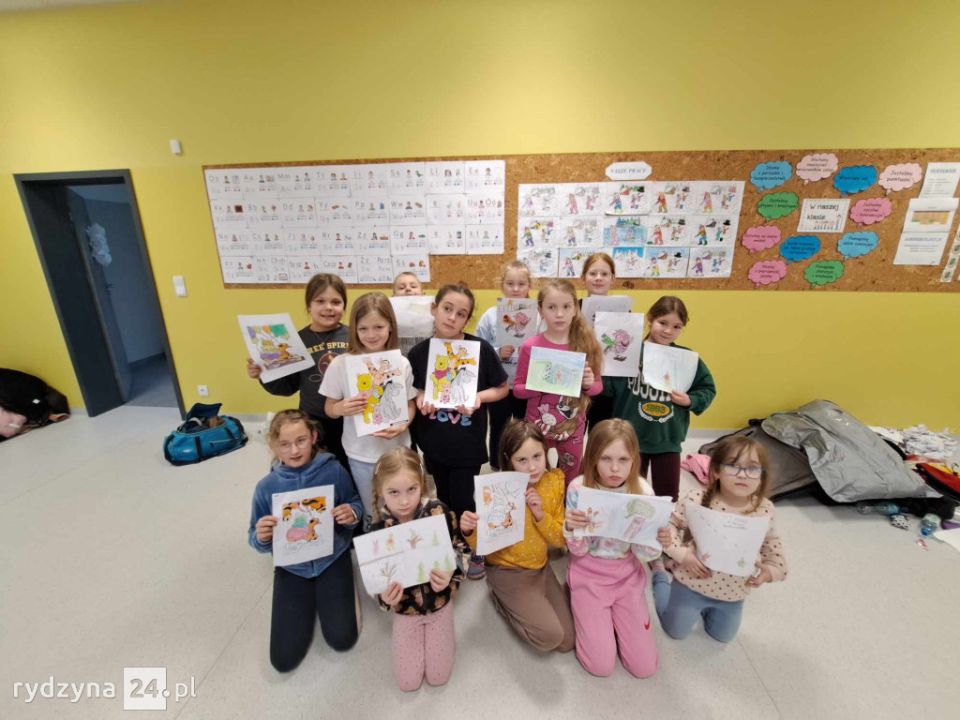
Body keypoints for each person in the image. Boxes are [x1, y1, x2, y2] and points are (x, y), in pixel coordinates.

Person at [247, 410, 363, 672]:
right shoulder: (266, 487)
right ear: (273, 446)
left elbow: (355, 503)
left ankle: (341, 587)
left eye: (300, 440)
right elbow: (253, 537)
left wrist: (351, 514)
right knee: (283, 660)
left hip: (332, 557)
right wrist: (261, 536)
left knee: (342, 639)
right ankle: (309, 596)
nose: (294, 450)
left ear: (313, 437)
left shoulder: (333, 471)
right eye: (285, 444)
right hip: (292, 567)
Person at [408, 283, 508, 579]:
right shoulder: (419, 352)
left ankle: (474, 545)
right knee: (443, 496)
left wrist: (479, 398)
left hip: (467, 444)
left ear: (467, 319)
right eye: (447, 309)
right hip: (433, 442)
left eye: (461, 313)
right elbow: (412, 388)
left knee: (465, 499)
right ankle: (450, 544)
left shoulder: (480, 349)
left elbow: (502, 388)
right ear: (434, 309)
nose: (452, 317)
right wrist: (419, 396)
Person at [653, 435, 787, 643]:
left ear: (762, 475)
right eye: (733, 465)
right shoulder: (696, 499)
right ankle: (660, 574)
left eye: (752, 468)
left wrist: (769, 572)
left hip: (733, 595)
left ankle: (705, 608)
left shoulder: (765, 508)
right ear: (716, 471)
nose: (742, 474)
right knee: (675, 632)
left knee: (722, 637)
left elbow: (773, 546)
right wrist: (681, 555)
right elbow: (669, 524)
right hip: (690, 585)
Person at [460, 421, 574, 653]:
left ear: (545, 452)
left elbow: (560, 540)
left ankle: (527, 600)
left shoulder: (554, 481)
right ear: (508, 459)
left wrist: (541, 515)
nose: (532, 467)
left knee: (567, 642)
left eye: (537, 456)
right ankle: (501, 599)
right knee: (550, 638)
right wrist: (469, 531)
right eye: (522, 460)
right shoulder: (498, 489)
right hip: (507, 571)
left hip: (540, 566)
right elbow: (483, 544)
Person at [564, 419, 660, 678]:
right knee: (600, 666)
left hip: (627, 576)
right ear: (593, 457)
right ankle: (581, 603)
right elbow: (578, 551)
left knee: (644, 668)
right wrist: (571, 528)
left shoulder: (643, 492)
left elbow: (645, 555)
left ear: (634, 459)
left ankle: (614, 622)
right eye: (605, 458)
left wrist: (657, 539)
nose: (615, 468)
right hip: (588, 574)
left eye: (623, 460)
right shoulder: (579, 488)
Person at [370, 447, 468, 691]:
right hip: (405, 610)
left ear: (422, 484)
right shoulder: (378, 528)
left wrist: (451, 575)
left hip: (440, 605)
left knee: (439, 677)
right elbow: (375, 578)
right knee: (408, 682)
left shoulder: (440, 512)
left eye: (411, 489)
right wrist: (384, 599)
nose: (404, 501)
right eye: (393, 492)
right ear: (380, 491)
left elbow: (462, 550)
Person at [320, 292, 417, 528]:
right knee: (373, 512)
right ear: (354, 329)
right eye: (363, 328)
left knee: (404, 508)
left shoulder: (401, 363)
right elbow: (329, 408)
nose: (371, 335)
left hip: (398, 452)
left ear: (390, 327)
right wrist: (341, 407)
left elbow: (410, 404)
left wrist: (403, 424)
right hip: (361, 454)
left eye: (378, 327)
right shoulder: (341, 364)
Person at [605, 296, 716, 500]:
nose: (668, 331)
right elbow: (608, 387)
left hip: (667, 439)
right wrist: (602, 364)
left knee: (667, 496)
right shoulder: (629, 353)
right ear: (650, 319)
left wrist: (690, 400)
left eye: (676, 326)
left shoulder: (687, 359)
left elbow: (707, 389)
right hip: (630, 438)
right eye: (662, 323)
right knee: (629, 494)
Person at [247, 273, 350, 474]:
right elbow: (287, 387)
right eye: (320, 301)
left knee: (346, 470)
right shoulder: (295, 341)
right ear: (308, 305)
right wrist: (263, 374)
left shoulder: (354, 336)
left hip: (349, 419)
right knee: (317, 471)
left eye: (336, 302)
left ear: (344, 306)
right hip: (313, 421)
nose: (328, 307)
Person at [513, 279, 603, 484]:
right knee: (534, 478)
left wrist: (589, 384)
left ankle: (564, 504)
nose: (559, 314)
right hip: (536, 426)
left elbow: (598, 387)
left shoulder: (586, 345)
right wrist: (539, 383)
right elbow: (517, 389)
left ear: (575, 309)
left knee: (570, 477)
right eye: (551, 307)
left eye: (566, 307)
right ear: (540, 311)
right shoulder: (530, 346)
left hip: (572, 428)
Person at [475, 260, 533, 468]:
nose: (515, 289)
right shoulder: (490, 316)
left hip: (526, 385)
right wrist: (497, 352)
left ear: (529, 286)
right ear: (502, 285)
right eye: (510, 284)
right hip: (499, 385)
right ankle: (497, 465)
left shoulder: (537, 316)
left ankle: (524, 463)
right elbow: (478, 350)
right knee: (498, 426)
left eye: (521, 284)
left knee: (526, 427)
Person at [580, 253, 617, 434]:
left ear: (612, 279)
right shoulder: (572, 307)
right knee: (573, 434)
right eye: (593, 273)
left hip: (607, 384)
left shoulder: (622, 309)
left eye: (604, 274)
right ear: (583, 278)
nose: (598, 278)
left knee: (601, 435)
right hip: (578, 381)